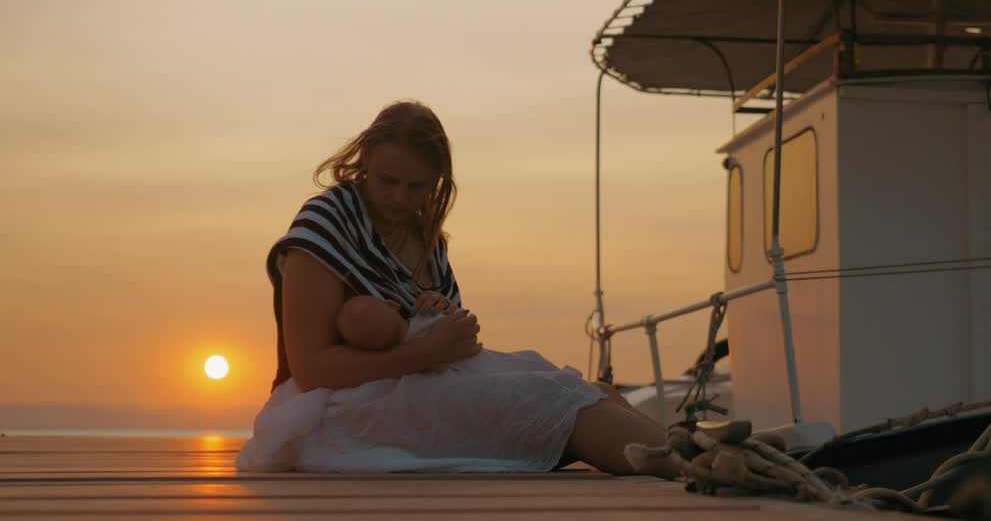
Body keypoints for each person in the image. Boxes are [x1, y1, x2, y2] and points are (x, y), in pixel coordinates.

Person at [236, 100, 677, 476]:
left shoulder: (424, 236)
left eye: (416, 187)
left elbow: (453, 344)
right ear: (365, 158)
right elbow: (311, 369)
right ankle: (695, 465)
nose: (398, 198)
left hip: (418, 389)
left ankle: (704, 457)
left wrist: (449, 322)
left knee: (595, 392)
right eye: (388, 181)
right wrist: (428, 351)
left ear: (436, 183)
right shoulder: (326, 223)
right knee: (564, 406)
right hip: (338, 413)